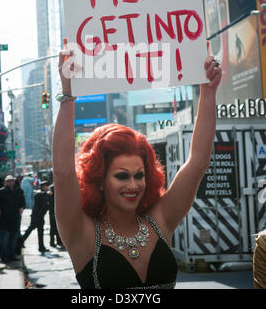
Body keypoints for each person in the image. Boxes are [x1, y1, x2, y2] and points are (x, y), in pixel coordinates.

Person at [52, 49, 222, 289]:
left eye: (139, 175)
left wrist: (209, 91)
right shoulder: (82, 232)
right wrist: (68, 93)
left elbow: (198, 162)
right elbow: (63, 173)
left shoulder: (161, 219)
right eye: (122, 176)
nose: (133, 185)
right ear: (99, 180)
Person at [0, 175, 25, 263]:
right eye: (8, 181)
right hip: (5, 219)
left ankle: (12, 255)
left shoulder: (18, 191)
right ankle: (4, 256)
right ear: (5, 182)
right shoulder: (1, 192)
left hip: (15, 218)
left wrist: (22, 207)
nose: (10, 183)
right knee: (5, 239)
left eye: (11, 181)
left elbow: (22, 201)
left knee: (13, 239)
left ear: (14, 181)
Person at [20, 180, 50, 253]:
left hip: (40, 216)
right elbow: (42, 202)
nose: (47, 187)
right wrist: (46, 194)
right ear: (43, 187)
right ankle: (21, 241)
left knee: (40, 231)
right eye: (46, 186)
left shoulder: (44, 194)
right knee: (31, 229)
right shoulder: (39, 194)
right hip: (37, 216)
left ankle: (41, 246)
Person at [48, 183, 63, 248]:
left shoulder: (53, 187)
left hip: (56, 209)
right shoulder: (54, 187)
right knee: (54, 227)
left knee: (56, 227)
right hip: (54, 210)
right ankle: (53, 242)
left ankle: (56, 241)